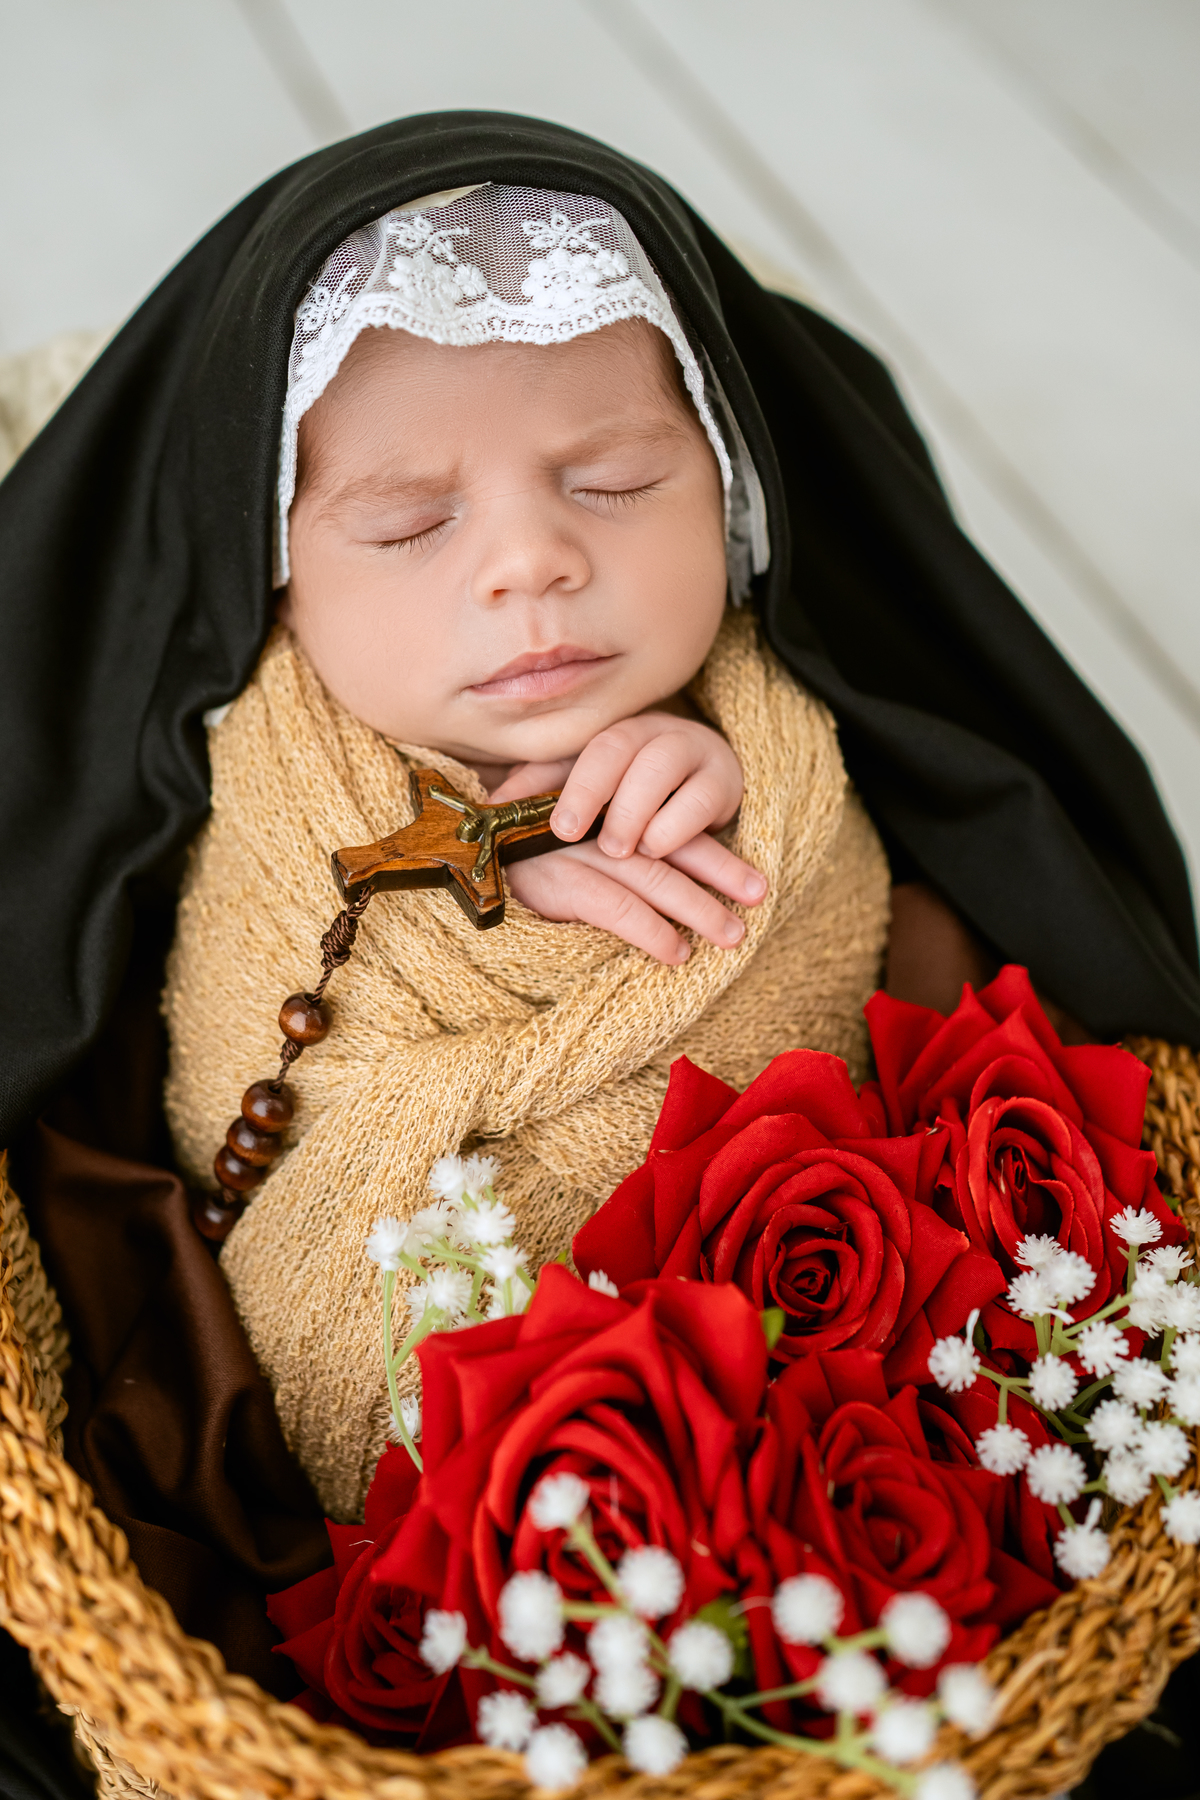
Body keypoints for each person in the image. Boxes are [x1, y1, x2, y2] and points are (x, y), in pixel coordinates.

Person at [1, 113, 1198, 1797]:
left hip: (774, 1439)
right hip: (442, 1461)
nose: (532, 559)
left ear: (731, 491)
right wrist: (472, 884)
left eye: (617, 483)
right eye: (409, 523)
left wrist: (743, 805)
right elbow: (238, 1098)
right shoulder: (257, 771)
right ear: (269, 585)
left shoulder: (778, 718)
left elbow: (849, 995)